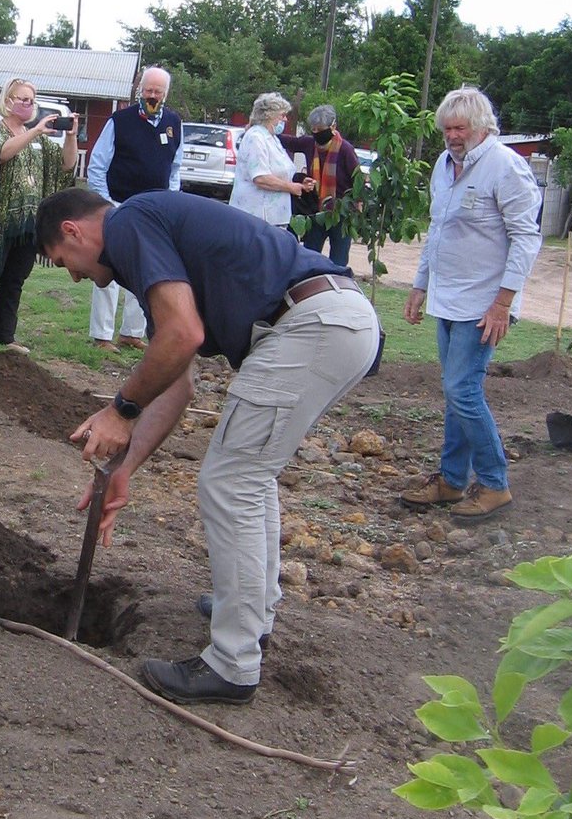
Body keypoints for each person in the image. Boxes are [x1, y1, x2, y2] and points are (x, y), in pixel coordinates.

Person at [35, 187, 379, 705]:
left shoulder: (129, 224)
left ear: (73, 231)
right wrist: (126, 467)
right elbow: (178, 381)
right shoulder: (146, 249)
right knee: (247, 477)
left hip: (311, 321)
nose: (75, 276)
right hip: (333, 319)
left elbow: (184, 334)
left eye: (65, 263)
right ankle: (250, 612)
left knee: (231, 481)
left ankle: (233, 664)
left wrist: (119, 409)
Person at [400, 87, 542, 523]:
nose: (452, 136)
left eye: (460, 128)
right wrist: (420, 285)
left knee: (462, 389)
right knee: (455, 391)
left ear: (483, 127)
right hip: (448, 298)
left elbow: (526, 238)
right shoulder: (443, 167)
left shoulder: (506, 167)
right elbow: (438, 230)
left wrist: (503, 303)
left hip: (484, 303)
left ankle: (495, 484)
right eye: (446, 128)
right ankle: (452, 480)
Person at [0, 79, 79, 352]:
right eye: (22, 99)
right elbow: (1, 154)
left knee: (15, 280)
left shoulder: (36, 137)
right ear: (9, 100)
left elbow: (66, 164)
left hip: (27, 223)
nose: (28, 105)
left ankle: (5, 336)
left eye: (31, 100)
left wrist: (70, 136)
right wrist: (36, 130)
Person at [86, 66, 182, 352]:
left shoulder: (174, 123)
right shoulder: (119, 121)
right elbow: (98, 165)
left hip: (154, 209)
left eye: (158, 92)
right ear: (140, 90)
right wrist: (105, 203)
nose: (152, 96)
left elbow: (175, 168)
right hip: (118, 204)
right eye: (148, 91)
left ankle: (132, 333)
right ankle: (102, 335)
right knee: (108, 269)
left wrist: (170, 198)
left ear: (166, 94)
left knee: (145, 271)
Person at [278, 103, 362, 266]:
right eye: (313, 130)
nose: (316, 133)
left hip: (341, 213)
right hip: (316, 211)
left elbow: (357, 179)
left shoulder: (345, 149)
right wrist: (260, 129)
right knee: (309, 255)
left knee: (338, 259)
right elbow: (289, 142)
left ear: (333, 127)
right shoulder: (310, 144)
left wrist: (358, 204)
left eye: (320, 129)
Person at [229, 92, 314, 228]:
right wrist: (291, 187)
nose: (285, 119)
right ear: (269, 115)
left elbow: (281, 170)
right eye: (282, 115)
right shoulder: (255, 137)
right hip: (256, 216)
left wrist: (300, 181)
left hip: (274, 217)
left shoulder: (272, 138)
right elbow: (260, 177)